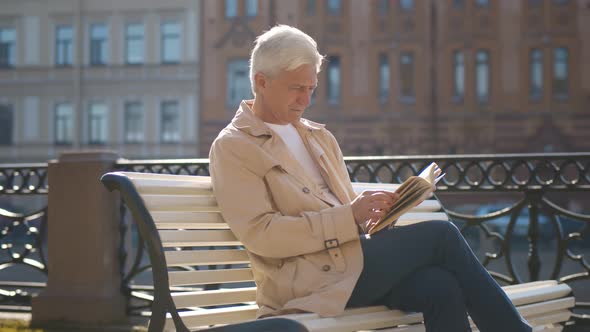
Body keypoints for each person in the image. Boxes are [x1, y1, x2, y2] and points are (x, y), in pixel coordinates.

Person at [209, 25, 532, 332]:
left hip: (349, 266)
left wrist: (375, 216)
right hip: (304, 283)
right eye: (296, 88)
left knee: (440, 286)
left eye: (311, 89)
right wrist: (348, 217)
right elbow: (263, 235)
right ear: (261, 82)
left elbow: (345, 214)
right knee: (442, 236)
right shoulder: (234, 146)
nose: (305, 100)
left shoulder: (319, 137)